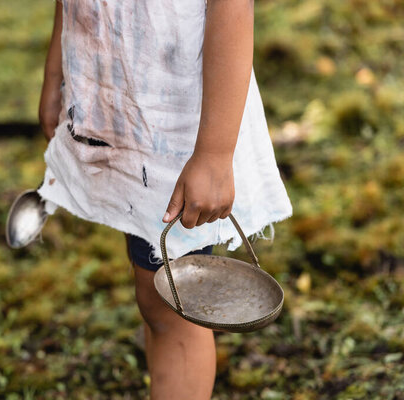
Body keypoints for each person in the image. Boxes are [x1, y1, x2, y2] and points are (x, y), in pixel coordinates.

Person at [37, 0, 293, 398]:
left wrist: (213, 153)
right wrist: (57, 69)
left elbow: (232, 6)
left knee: (175, 309)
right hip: (113, 96)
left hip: (177, 125)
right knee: (151, 288)